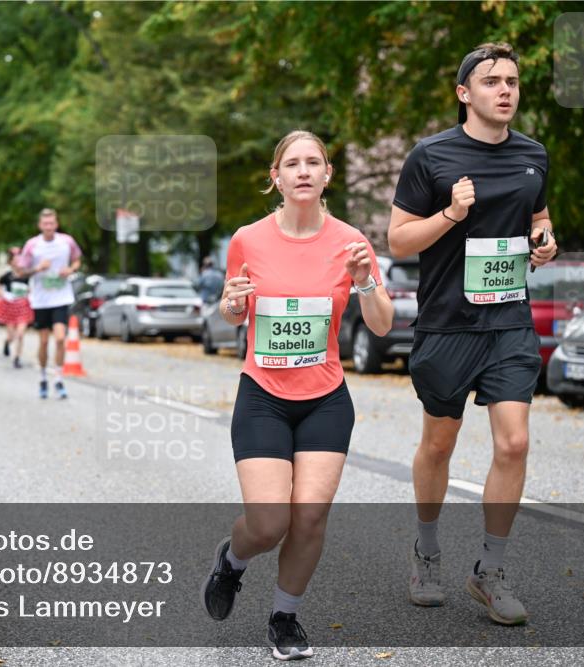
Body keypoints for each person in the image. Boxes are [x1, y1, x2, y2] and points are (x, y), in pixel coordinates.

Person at [201, 130, 393, 661]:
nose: (303, 170)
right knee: (268, 524)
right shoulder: (248, 239)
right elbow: (233, 310)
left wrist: (363, 281)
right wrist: (231, 307)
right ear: (276, 178)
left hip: (325, 397)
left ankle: (284, 617)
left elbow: (380, 325)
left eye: (314, 162)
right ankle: (231, 563)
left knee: (308, 516)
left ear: (328, 174)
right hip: (263, 394)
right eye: (292, 163)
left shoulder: (351, 241)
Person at [387, 43, 557, 625]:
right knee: (439, 445)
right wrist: (452, 215)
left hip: (508, 321)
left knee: (513, 442)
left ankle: (489, 571)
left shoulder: (533, 155)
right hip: (446, 325)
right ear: (465, 93)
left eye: (512, 81)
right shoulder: (430, 156)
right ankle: (427, 551)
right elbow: (399, 241)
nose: (505, 90)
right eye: (492, 82)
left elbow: (537, 215)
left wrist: (543, 238)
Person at [16, 208, 82, 399]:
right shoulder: (32, 245)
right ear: (40, 225)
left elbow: (77, 260)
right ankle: (43, 376)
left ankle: (58, 378)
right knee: (44, 341)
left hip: (61, 297)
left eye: (51, 223)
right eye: (45, 224)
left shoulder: (67, 242)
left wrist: (70, 269)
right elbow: (21, 271)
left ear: (56, 224)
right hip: (41, 300)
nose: (48, 227)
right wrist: (38, 268)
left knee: (61, 338)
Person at [0, 247, 34, 368]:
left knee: (21, 333)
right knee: (12, 335)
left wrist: (30, 293)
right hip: (10, 307)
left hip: (23, 307)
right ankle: (7, 342)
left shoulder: (27, 276)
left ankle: (17, 358)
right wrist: (5, 295)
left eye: (21, 260)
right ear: (11, 262)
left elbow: (32, 289)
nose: (19, 263)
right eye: (16, 260)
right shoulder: (7, 276)